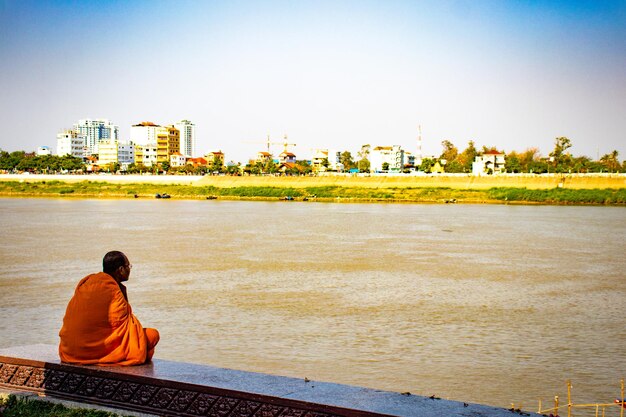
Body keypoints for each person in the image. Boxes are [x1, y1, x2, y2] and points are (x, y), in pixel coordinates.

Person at [59, 251, 159, 365]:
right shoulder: (114, 291)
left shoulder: (88, 282)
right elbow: (127, 326)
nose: (130, 269)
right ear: (121, 269)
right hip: (98, 352)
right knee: (152, 335)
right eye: (128, 266)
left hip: (70, 350)